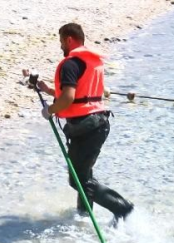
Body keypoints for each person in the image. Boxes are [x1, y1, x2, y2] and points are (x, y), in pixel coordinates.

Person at [37, 23, 134, 224]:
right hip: (99, 123)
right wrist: (48, 91)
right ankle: (83, 214)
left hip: (86, 126)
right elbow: (80, 95)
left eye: (61, 41)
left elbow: (68, 99)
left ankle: (121, 207)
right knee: (85, 173)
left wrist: (49, 111)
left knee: (78, 180)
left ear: (69, 39)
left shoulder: (70, 64)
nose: (61, 46)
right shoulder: (92, 61)